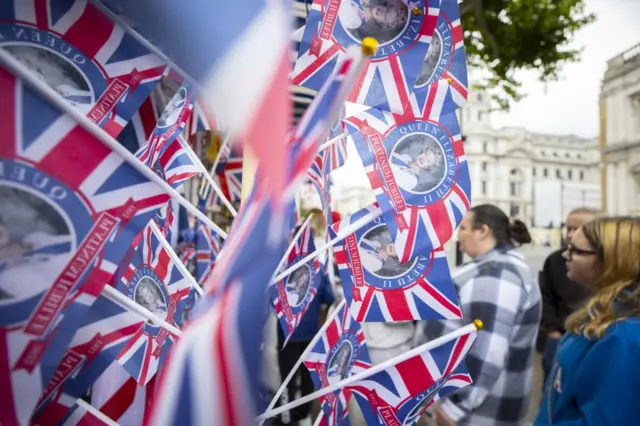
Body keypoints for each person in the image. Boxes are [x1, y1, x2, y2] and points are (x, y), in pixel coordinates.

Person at [417, 204, 541, 426]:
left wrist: (456, 407)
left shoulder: (495, 274)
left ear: (482, 231)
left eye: (464, 228)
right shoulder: (495, 267)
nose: (459, 236)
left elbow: (486, 350)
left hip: (476, 415)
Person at [536, 216, 640, 425]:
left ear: (612, 260)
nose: (566, 255)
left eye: (576, 250)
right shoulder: (602, 317)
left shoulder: (622, 336)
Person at [274, 234, 335, 426]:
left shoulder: (283, 269)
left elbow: (271, 301)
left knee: (287, 380)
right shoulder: (318, 269)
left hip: (287, 334)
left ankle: (286, 418)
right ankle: (303, 414)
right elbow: (330, 297)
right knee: (309, 378)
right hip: (311, 334)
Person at [539, 207, 598, 379]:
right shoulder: (555, 260)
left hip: (593, 337)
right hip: (559, 336)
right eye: (568, 228)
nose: (571, 234)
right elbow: (545, 296)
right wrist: (552, 331)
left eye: (577, 229)